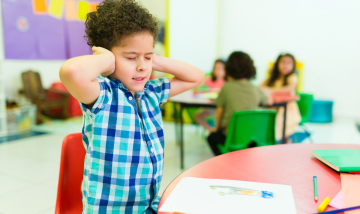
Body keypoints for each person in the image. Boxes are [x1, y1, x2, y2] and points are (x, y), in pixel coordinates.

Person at [59, 0, 204, 213]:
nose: (141, 66)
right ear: (108, 59)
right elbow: (72, 72)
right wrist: (106, 59)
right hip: (109, 209)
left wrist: (153, 60)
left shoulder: (151, 93)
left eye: (147, 57)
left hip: (147, 206)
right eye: (131, 57)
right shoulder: (103, 94)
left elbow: (196, 77)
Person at [207, 51, 272, 156]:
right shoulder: (254, 88)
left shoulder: (227, 87)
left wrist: (217, 128)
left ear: (228, 68)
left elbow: (219, 111)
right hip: (253, 138)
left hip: (232, 138)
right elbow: (269, 101)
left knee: (211, 137)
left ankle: (223, 159)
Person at [259, 53, 301, 143]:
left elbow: (290, 88)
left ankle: (282, 141)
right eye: (283, 62)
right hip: (272, 106)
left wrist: (270, 90)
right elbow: (259, 87)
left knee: (280, 120)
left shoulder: (292, 77)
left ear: (293, 66)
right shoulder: (272, 78)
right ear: (277, 64)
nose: (285, 65)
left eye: (289, 63)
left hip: (287, 108)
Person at [195, 59, 226, 131]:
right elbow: (198, 87)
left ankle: (216, 129)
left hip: (220, 108)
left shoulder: (226, 82)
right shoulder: (209, 79)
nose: (218, 71)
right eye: (216, 68)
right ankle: (210, 130)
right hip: (209, 107)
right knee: (198, 116)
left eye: (220, 69)